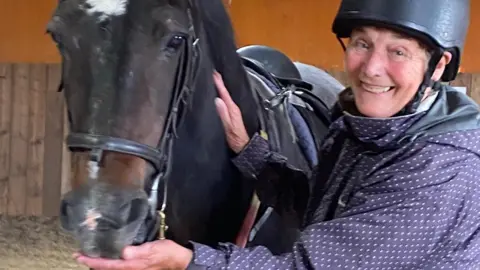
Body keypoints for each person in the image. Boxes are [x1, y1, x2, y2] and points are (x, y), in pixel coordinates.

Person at [75, 0, 480, 269]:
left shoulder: (442, 167)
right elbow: (319, 210)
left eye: (398, 51)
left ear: (439, 65)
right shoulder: (367, 128)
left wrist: (188, 259)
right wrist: (251, 151)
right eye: (362, 43)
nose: (371, 68)